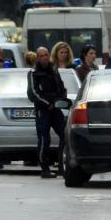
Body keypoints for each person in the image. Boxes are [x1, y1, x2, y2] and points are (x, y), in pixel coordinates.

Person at [27, 47, 67, 178]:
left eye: (46, 55)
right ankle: (44, 168)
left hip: (56, 108)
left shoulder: (54, 69)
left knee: (65, 135)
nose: (44, 57)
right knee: (44, 139)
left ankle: (62, 165)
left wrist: (61, 99)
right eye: (42, 55)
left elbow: (61, 86)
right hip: (43, 110)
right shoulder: (33, 73)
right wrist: (47, 104)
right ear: (37, 57)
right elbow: (32, 94)